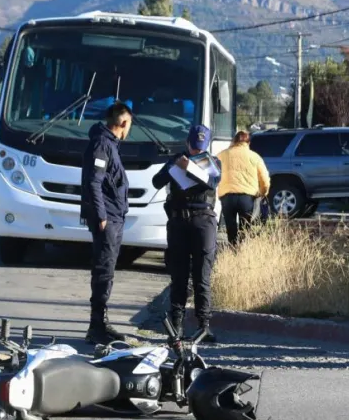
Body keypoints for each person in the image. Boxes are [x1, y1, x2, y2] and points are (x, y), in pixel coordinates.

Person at [151, 124, 222, 342]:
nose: (195, 151)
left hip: (203, 222)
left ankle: (204, 325)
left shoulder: (212, 162)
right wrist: (174, 165)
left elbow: (212, 181)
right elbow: (156, 181)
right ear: (187, 142)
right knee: (179, 275)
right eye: (193, 147)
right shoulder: (176, 159)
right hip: (179, 221)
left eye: (200, 148)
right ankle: (177, 326)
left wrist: (190, 167)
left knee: (202, 275)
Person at [80, 102, 134, 344]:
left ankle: (101, 322)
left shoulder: (109, 143)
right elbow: (94, 182)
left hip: (114, 215)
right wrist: (101, 215)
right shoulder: (103, 144)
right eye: (129, 125)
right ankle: (97, 326)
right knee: (103, 271)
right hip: (108, 217)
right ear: (123, 123)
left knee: (107, 271)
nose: (128, 130)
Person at [217, 130, 271, 246]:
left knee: (230, 229)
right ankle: (242, 253)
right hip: (247, 198)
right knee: (245, 229)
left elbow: (213, 173)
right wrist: (262, 193)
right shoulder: (255, 157)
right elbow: (265, 181)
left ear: (234, 140)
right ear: (248, 143)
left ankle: (232, 250)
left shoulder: (222, 155)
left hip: (227, 197)